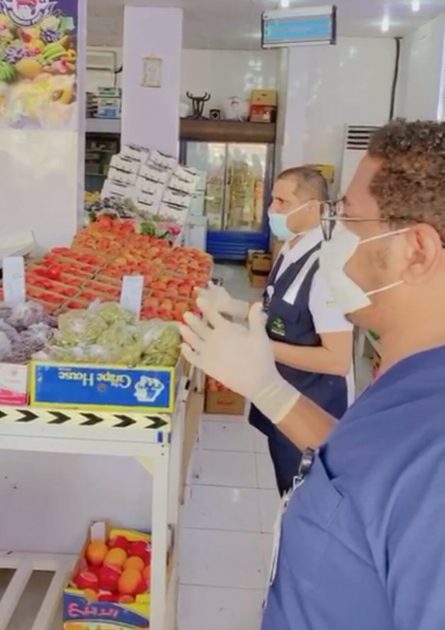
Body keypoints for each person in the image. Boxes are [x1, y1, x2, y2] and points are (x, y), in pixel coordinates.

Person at [181, 119, 445, 629]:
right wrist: (268, 389)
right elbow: (359, 467)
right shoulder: (406, 377)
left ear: (416, 250)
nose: (335, 237)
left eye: (350, 220)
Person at [200, 167, 353, 495]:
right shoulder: (289, 248)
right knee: (285, 485)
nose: (272, 209)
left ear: (313, 207)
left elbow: (337, 360)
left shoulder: (325, 267)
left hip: (311, 407)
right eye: (272, 199)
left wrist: (260, 347)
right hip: (281, 395)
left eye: (283, 202)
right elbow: (277, 307)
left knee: (304, 495)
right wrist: (235, 307)